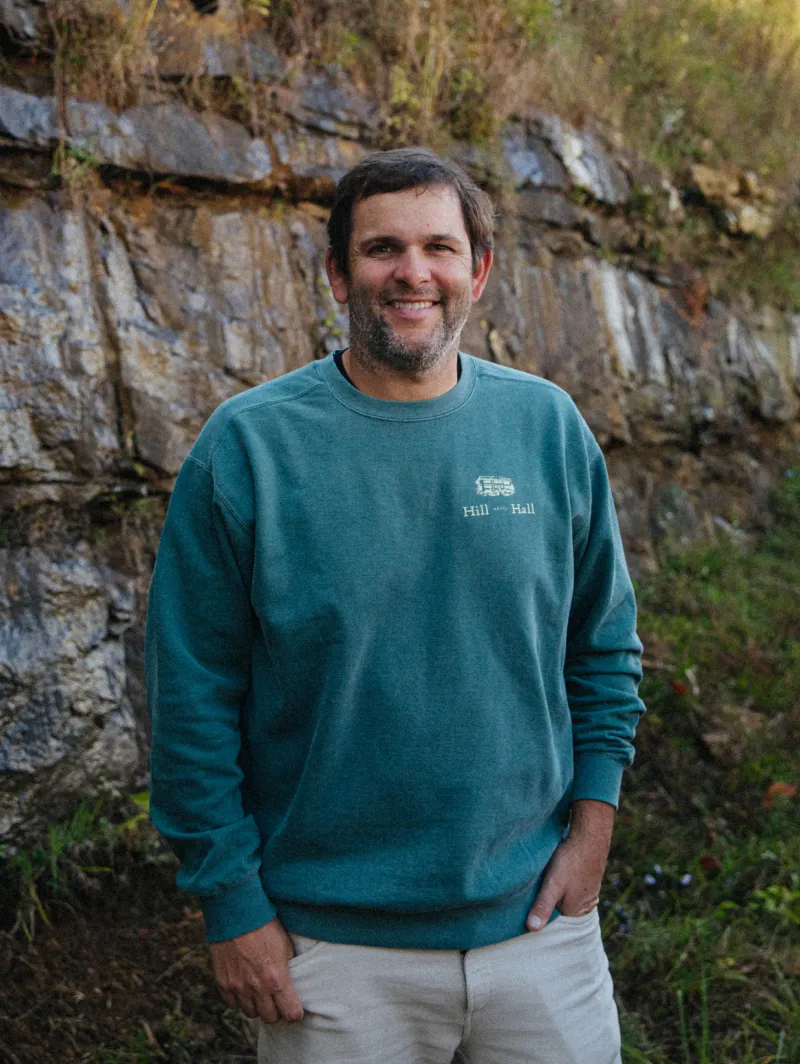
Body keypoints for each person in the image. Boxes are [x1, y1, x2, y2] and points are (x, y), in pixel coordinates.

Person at [145, 147, 646, 1064]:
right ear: (338, 273)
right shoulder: (248, 449)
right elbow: (192, 693)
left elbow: (603, 647)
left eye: (440, 248)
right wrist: (231, 903)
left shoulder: (548, 429)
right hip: (330, 951)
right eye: (382, 249)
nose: (413, 273)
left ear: (478, 272)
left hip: (541, 929)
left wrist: (594, 829)